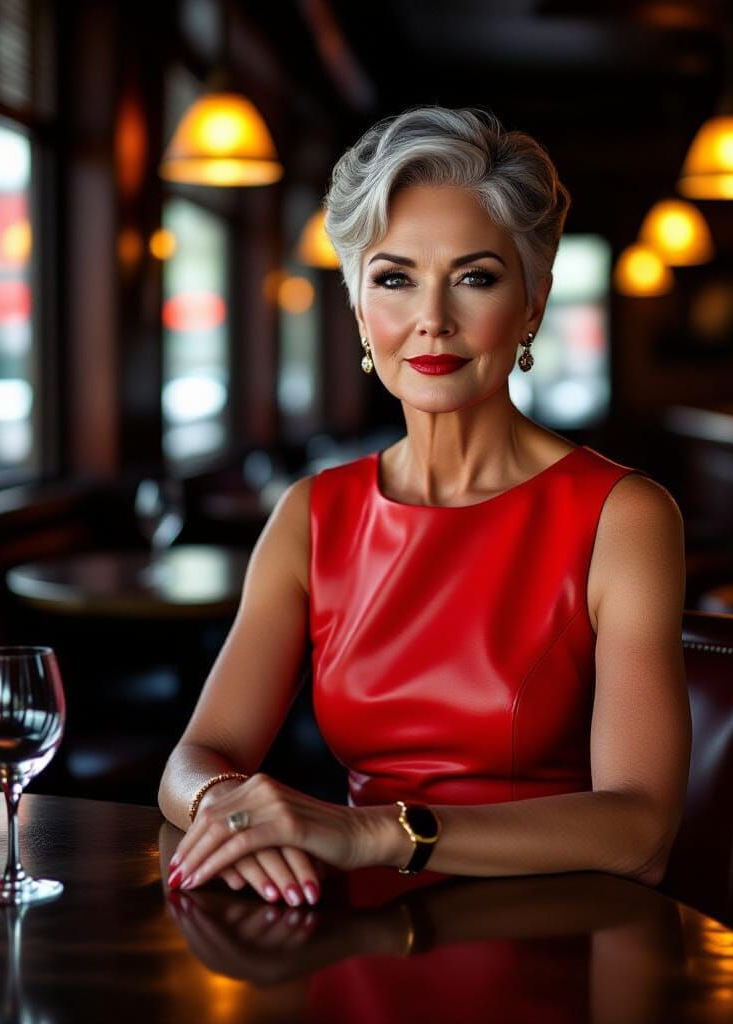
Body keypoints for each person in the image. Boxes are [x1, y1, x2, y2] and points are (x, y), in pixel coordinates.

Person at [158, 106, 691, 911]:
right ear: (358, 308)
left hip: (554, 927)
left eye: (475, 277)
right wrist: (227, 810)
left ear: (533, 302)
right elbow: (196, 757)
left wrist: (378, 834)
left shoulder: (624, 516)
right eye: (394, 278)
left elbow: (642, 830)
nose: (432, 319)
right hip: (349, 926)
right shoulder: (312, 514)